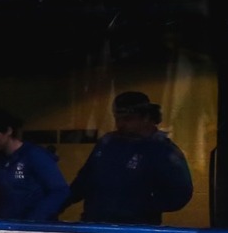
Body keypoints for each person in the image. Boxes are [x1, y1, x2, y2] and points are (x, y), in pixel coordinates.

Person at [65, 91, 192, 225]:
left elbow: (181, 193)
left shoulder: (163, 150)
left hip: (136, 231)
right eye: (117, 119)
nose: (121, 124)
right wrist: (56, 205)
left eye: (128, 119)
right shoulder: (107, 143)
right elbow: (83, 181)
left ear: (146, 117)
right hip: (94, 225)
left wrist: (142, 206)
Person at [0, 110, 68, 221]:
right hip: (4, 227)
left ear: (8, 131)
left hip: (33, 228)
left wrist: (34, 220)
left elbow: (60, 191)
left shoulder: (34, 155)